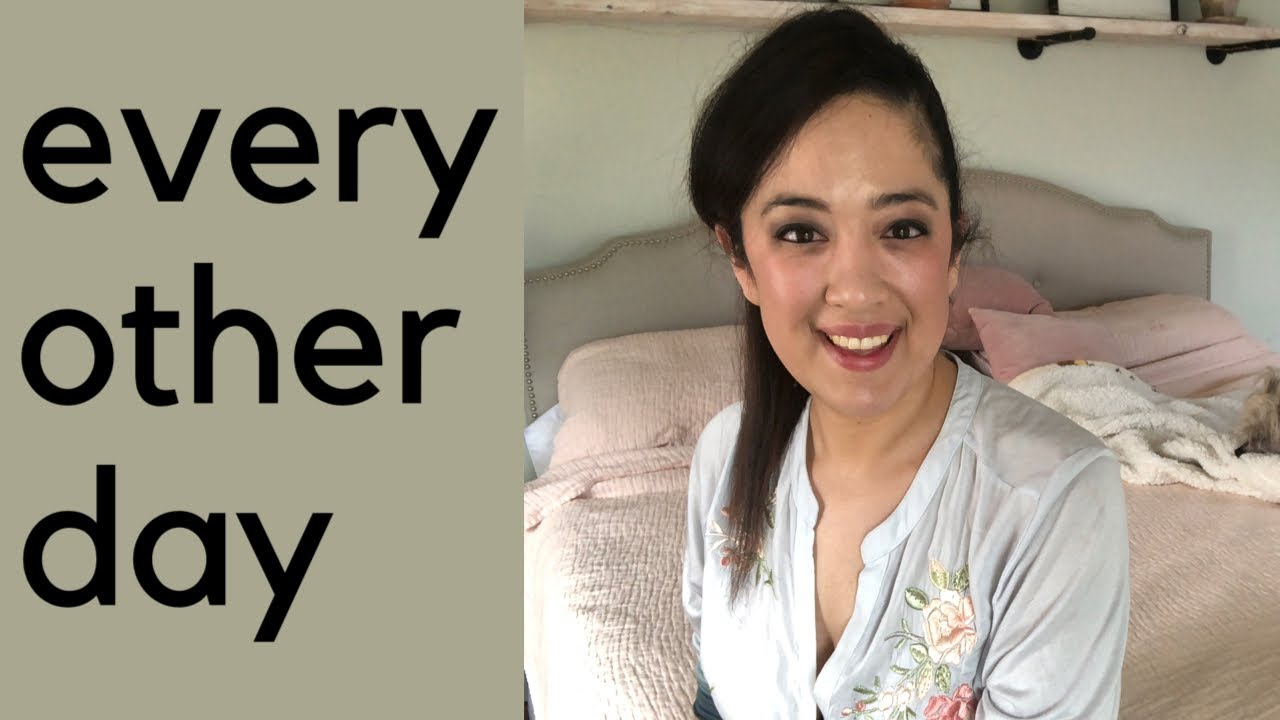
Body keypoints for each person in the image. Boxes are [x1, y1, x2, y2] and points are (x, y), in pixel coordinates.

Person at [680, 6, 1130, 719]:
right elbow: (713, 692)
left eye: (902, 228)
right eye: (800, 233)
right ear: (740, 260)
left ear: (952, 250)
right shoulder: (724, 457)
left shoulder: (1053, 497)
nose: (858, 290)